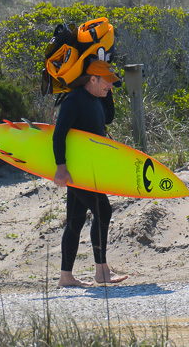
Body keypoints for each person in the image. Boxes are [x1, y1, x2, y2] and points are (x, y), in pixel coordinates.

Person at [53, 59, 129, 287]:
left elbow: (107, 119)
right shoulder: (73, 100)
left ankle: (66, 277)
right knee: (103, 210)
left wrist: (109, 93)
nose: (110, 87)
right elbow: (59, 134)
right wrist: (61, 167)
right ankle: (101, 272)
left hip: (89, 168)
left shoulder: (96, 99)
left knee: (75, 221)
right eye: (107, 82)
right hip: (77, 170)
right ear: (92, 79)